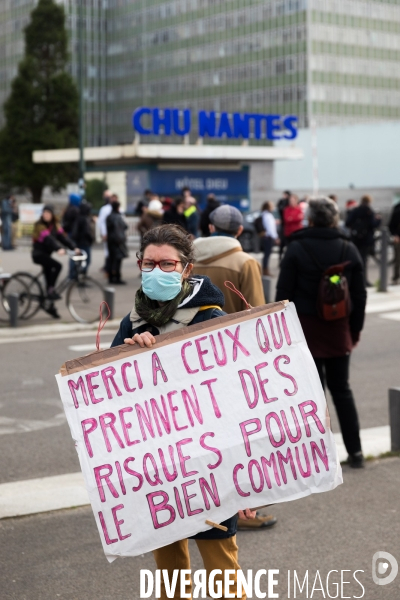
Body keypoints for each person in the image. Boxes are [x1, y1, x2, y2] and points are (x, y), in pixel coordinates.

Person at [111, 224, 256, 598]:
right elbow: (109, 393)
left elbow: (234, 399)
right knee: (171, 580)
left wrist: (250, 486)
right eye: (149, 262)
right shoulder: (131, 322)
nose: (157, 271)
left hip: (209, 468)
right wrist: (129, 353)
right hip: (158, 473)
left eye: (167, 264)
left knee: (223, 575)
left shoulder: (211, 318)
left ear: (187, 269)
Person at [275, 197, 367, 468]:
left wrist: (283, 334)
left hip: (305, 331)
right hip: (339, 329)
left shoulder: (296, 248)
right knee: (342, 389)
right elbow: (360, 297)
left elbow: (283, 296)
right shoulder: (349, 249)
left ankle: (318, 459)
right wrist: (355, 330)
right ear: (335, 219)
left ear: (310, 219)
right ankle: (356, 453)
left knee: (311, 396)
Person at [193, 205, 265, 314]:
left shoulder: (187, 261)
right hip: (234, 331)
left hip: (194, 331)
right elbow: (257, 311)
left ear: (211, 227)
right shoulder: (246, 263)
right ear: (240, 230)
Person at [32, 205, 79, 318]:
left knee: (49, 278)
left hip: (46, 255)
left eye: (48, 213)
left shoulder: (55, 226)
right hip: (38, 255)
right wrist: (58, 248)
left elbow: (63, 238)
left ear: (52, 215)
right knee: (57, 266)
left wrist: (74, 247)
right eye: (44, 213)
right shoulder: (40, 226)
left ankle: (50, 304)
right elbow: (49, 240)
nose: (46, 215)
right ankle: (51, 291)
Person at [345, 195, 381, 286]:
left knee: (353, 259)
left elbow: (347, 223)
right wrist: (379, 220)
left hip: (355, 238)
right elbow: (374, 224)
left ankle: (353, 280)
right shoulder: (369, 211)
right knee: (363, 261)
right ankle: (363, 280)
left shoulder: (355, 210)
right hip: (366, 240)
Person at [106, 199, 128, 284]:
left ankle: (111, 277)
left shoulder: (109, 216)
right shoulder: (118, 217)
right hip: (118, 240)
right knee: (118, 260)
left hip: (110, 240)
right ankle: (117, 277)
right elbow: (124, 226)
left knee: (111, 259)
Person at [70, 202, 95, 276]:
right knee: (87, 260)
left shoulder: (78, 217)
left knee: (77, 260)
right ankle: (81, 275)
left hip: (78, 242)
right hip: (84, 243)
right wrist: (91, 239)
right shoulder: (85, 219)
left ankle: (74, 275)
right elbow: (87, 232)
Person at [259, 201, 279, 276]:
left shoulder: (264, 214)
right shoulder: (268, 215)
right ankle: (265, 271)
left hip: (265, 237)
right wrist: (276, 237)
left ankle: (265, 269)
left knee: (266, 254)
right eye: (271, 205)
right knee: (267, 254)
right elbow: (271, 228)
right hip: (268, 237)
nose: (273, 207)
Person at [98, 190, 113, 275]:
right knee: (107, 251)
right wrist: (103, 233)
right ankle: (108, 267)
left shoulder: (107, 208)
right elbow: (102, 222)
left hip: (112, 234)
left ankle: (109, 267)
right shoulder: (104, 208)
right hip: (107, 233)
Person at [277, 190, 291, 261]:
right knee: (282, 244)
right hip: (283, 225)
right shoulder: (281, 202)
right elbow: (279, 209)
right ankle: (280, 258)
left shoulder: (288, 203)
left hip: (288, 226)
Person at [388, 199, 400, 284]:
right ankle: (396, 277)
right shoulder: (397, 208)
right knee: (397, 259)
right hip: (398, 238)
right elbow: (391, 225)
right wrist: (395, 235)